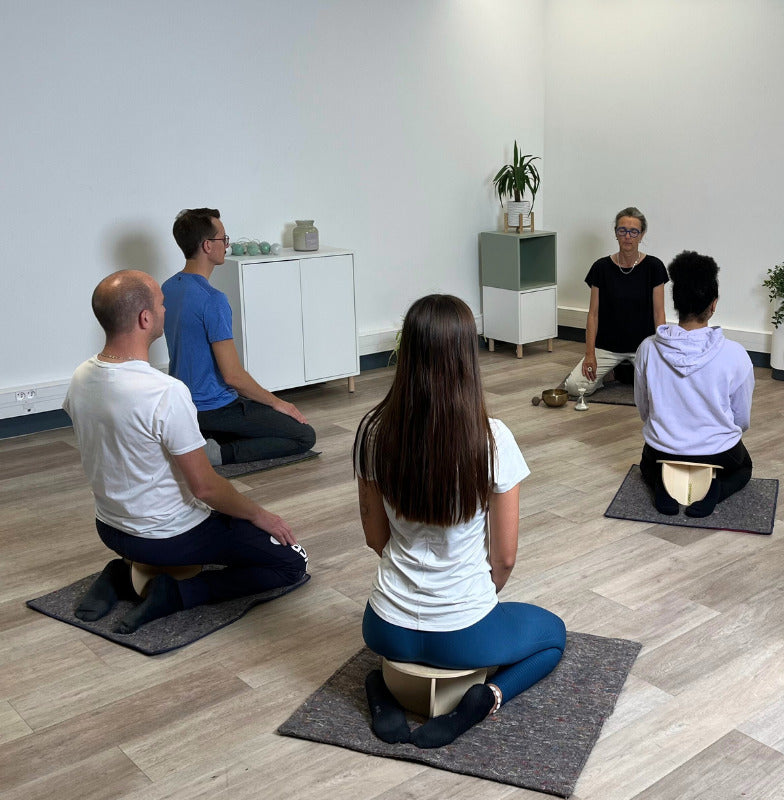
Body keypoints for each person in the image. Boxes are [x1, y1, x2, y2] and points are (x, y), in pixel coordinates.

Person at [353, 294, 566, 749]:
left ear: (405, 351)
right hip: (462, 633)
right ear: (467, 356)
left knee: (393, 655)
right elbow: (504, 558)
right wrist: (470, 604)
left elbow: (375, 537)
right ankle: (485, 699)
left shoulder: (373, 432)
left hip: (383, 624)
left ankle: (381, 693)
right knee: (552, 635)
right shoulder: (492, 438)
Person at [63, 270, 308, 634]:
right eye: (161, 304)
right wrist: (261, 515)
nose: (165, 310)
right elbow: (206, 488)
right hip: (168, 538)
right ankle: (177, 593)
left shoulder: (81, 376)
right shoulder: (164, 391)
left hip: (110, 528)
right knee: (291, 563)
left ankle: (123, 575)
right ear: (145, 319)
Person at [162, 208, 316, 465]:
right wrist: (279, 403)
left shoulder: (168, 288)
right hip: (214, 408)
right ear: (208, 245)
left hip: (182, 407)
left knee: (259, 413)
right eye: (224, 239)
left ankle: (202, 439)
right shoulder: (213, 300)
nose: (227, 245)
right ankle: (219, 453)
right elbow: (233, 376)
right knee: (303, 436)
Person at [634, 251, 755, 517]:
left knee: (647, 465)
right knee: (744, 467)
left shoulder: (647, 349)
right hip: (719, 454)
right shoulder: (736, 354)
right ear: (713, 304)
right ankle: (715, 489)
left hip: (661, 450)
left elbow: (644, 408)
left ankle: (661, 487)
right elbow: (742, 418)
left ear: (675, 302)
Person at [565, 207, 668, 397]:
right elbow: (593, 314)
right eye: (622, 231)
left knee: (662, 391)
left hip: (644, 347)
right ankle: (613, 371)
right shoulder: (601, 268)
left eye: (633, 231)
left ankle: (622, 372)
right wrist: (590, 354)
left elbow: (659, 313)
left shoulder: (654, 267)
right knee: (574, 387)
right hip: (607, 346)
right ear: (616, 233)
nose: (627, 236)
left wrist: (660, 353)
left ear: (641, 234)